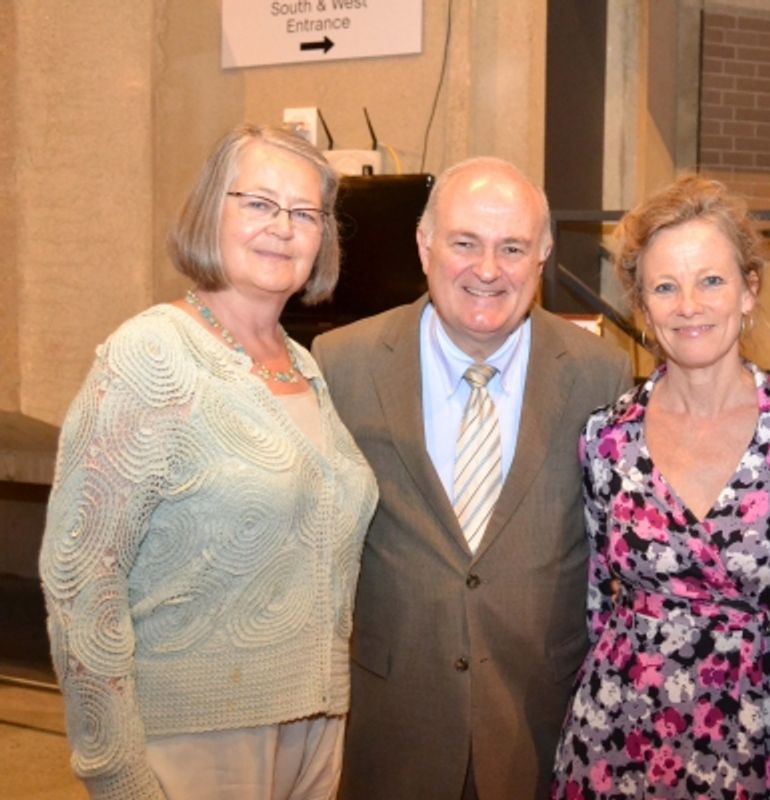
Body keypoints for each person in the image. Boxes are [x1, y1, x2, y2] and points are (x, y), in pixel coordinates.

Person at [39, 124, 380, 800]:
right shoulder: (152, 357)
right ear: (209, 213)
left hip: (315, 730)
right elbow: (81, 580)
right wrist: (115, 770)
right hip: (196, 740)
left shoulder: (303, 365)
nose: (282, 228)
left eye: (305, 213)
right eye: (258, 203)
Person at [310, 156, 631, 799]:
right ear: (425, 246)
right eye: (465, 243)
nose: (488, 270)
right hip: (393, 726)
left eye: (512, 248)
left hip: (540, 727)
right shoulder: (342, 364)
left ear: (540, 257)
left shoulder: (602, 374)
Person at [550, 175, 770, 799]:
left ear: (748, 290)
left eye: (711, 280)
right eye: (665, 287)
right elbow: (596, 601)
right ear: (643, 307)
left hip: (751, 739)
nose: (689, 305)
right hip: (615, 735)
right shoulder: (607, 439)